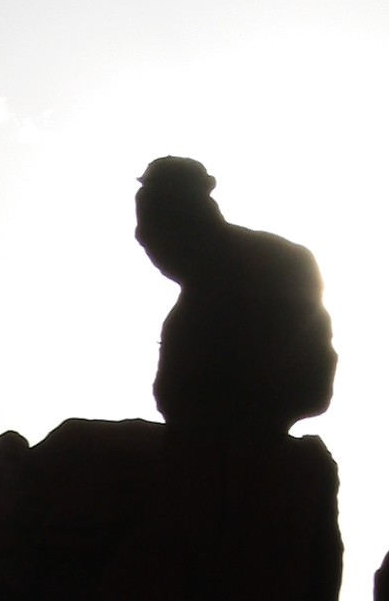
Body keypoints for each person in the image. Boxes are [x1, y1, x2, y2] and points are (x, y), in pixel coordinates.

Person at [135, 155, 336, 434]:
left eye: (152, 232)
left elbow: (308, 381)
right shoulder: (204, 293)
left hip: (243, 433)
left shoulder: (273, 266)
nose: (143, 240)